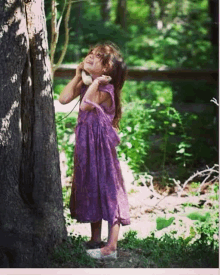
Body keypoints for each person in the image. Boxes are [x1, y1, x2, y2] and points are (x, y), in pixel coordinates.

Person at [59, 42, 130, 259]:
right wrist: (78, 75)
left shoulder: (105, 90)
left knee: (108, 192)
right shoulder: (86, 84)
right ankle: (95, 239)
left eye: (97, 56)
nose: (90, 56)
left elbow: (86, 104)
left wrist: (95, 82)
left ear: (107, 69)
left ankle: (111, 248)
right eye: (89, 53)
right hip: (86, 148)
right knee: (91, 187)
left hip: (101, 151)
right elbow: (63, 99)